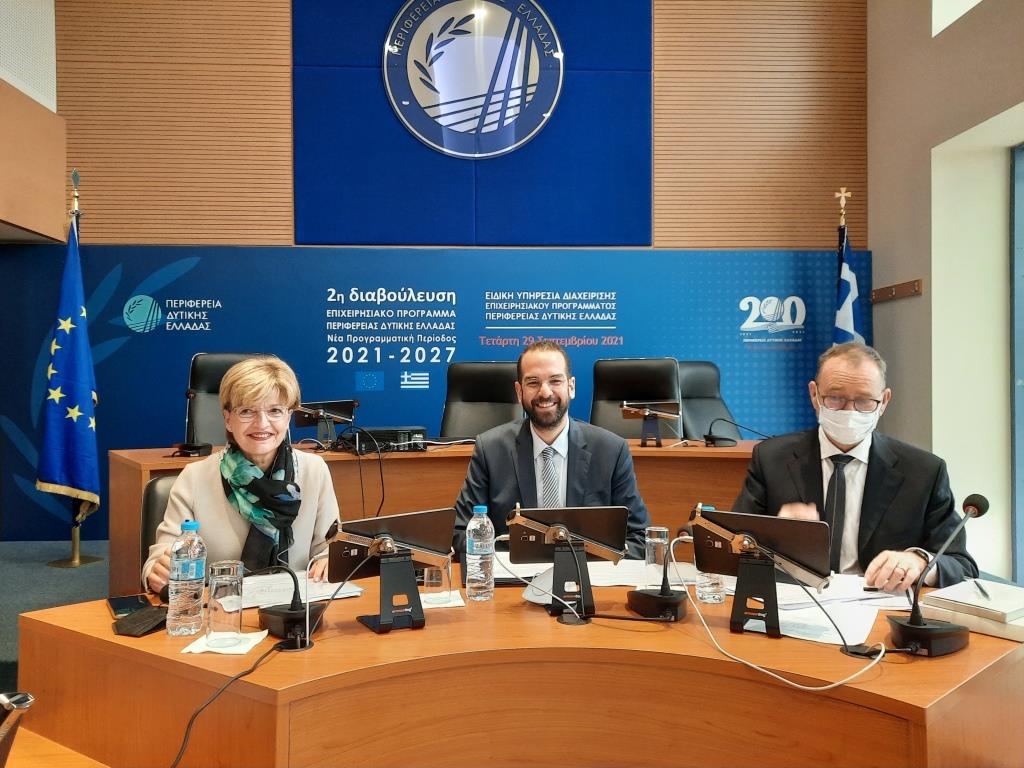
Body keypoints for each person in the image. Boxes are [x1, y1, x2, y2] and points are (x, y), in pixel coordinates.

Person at [732, 342, 978, 592]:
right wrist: (774, 536)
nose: (849, 412)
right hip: (796, 599)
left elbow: (961, 564)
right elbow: (732, 544)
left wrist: (919, 561)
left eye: (864, 401)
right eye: (835, 398)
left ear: (884, 401)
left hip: (881, 603)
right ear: (814, 395)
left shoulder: (924, 471)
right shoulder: (772, 458)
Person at [143, 356, 339, 593]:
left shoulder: (314, 471)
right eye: (247, 411)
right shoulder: (194, 477)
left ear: (288, 417)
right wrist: (157, 570)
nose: (262, 424)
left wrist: (329, 560)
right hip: (220, 607)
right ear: (228, 419)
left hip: (295, 606)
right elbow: (160, 559)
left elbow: (329, 547)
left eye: (275, 411)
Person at [453, 341, 651, 558]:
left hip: (589, 575)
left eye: (555, 380)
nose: (545, 392)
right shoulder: (490, 450)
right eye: (533, 382)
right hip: (514, 575)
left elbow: (639, 538)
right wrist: (516, 559)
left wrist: (585, 563)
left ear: (571, 387)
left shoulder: (611, 451)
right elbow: (461, 532)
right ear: (519, 391)